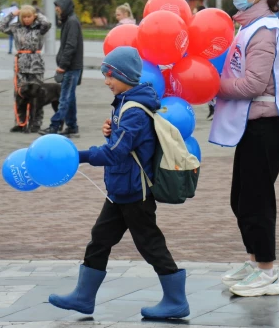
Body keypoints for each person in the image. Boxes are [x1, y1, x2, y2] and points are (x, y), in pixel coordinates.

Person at [48, 46, 189, 320]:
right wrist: (111, 131)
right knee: (100, 240)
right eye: (105, 74)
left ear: (124, 75)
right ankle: (83, 297)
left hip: (135, 193)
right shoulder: (125, 103)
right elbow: (122, 144)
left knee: (150, 244)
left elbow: (116, 153)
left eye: (110, 74)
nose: (106, 80)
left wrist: (79, 156)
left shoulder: (133, 110)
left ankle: (176, 299)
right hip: (120, 190)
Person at [209, 0, 279, 297]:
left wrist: (213, 85)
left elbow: (254, 83)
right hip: (251, 126)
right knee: (240, 199)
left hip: (265, 125)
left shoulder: (264, 30)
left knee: (256, 201)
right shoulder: (249, 26)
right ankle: (253, 260)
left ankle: (267, 271)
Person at [0, 4, 51, 133]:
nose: (27, 19)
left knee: (37, 95)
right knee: (20, 95)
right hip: (21, 64)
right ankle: (21, 122)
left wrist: (37, 14)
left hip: (36, 65)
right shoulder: (16, 28)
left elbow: (47, 23)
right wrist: (12, 15)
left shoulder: (40, 28)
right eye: (24, 17)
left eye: (29, 16)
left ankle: (35, 123)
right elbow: (0, 26)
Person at [38, 0, 83, 138]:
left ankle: (54, 126)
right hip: (71, 66)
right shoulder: (69, 21)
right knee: (70, 98)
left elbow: (70, 46)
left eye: (58, 7)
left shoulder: (72, 22)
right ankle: (72, 126)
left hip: (70, 67)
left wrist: (63, 66)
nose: (57, 9)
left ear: (65, 7)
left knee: (64, 99)